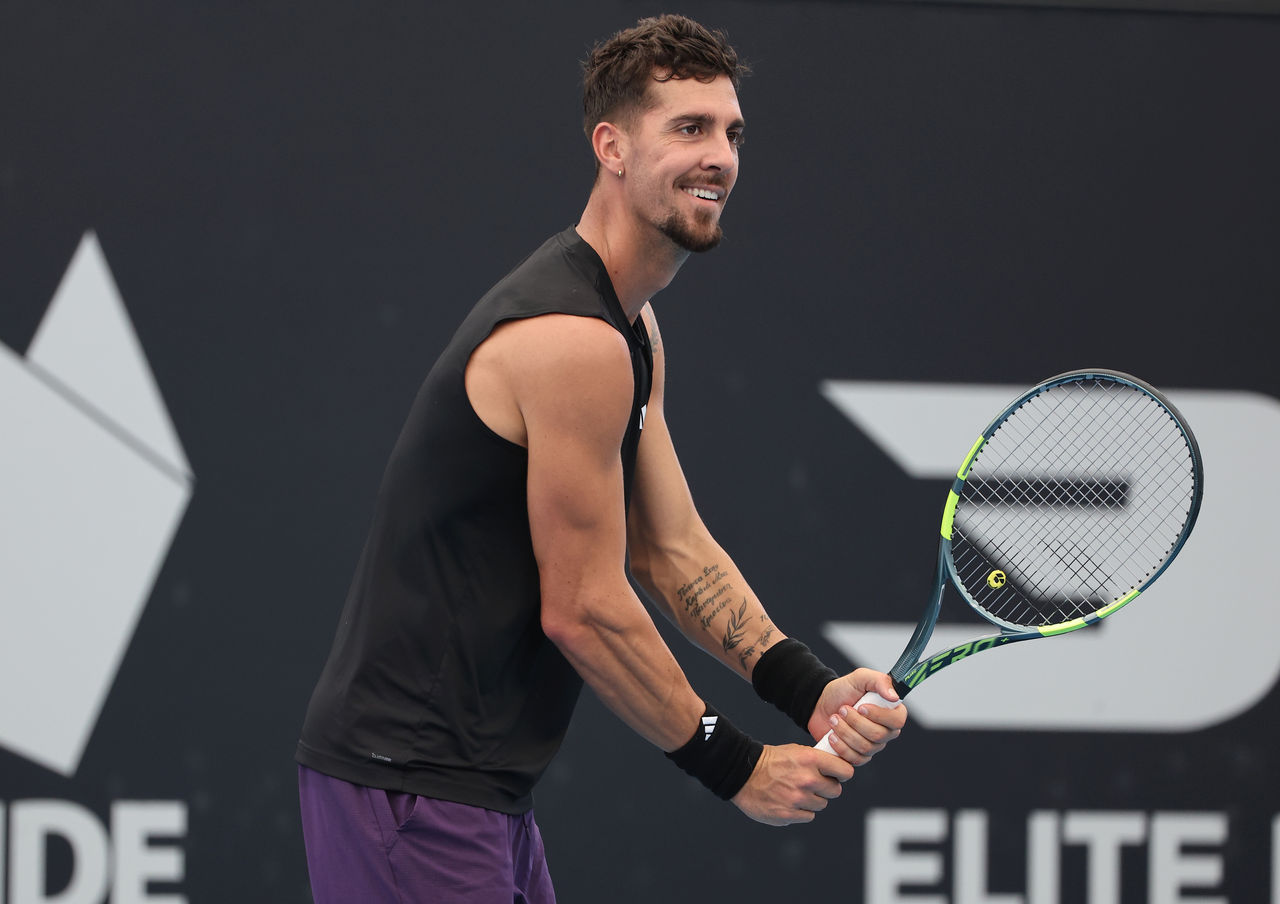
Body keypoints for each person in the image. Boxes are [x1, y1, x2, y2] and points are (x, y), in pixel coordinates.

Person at [296, 13, 908, 903]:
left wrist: (806, 689)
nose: (720, 157)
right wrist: (738, 768)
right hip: (410, 787)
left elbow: (668, 548)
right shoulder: (573, 342)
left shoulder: (631, 331)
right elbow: (582, 606)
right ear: (611, 146)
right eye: (688, 128)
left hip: (476, 790)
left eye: (731, 132)